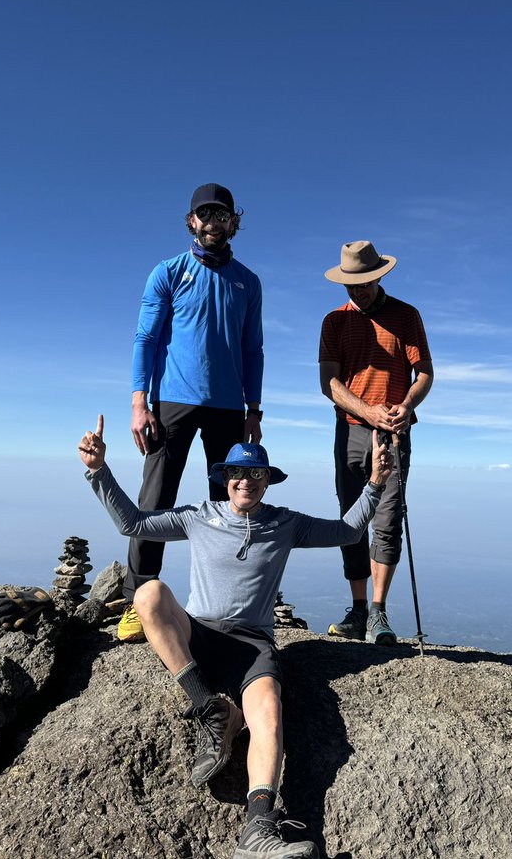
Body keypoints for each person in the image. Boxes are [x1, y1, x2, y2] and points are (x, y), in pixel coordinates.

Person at [79, 416, 391, 859]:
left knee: (268, 715)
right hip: (200, 631)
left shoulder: (286, 523)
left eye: (256, 474)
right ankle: (211, 707)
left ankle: (258, 828)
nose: (246, 481)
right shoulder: (198, 516)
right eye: (238, 473)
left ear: (268, 482)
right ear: (225, 479)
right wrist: (98, 471)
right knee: (149, 593)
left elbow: (348, 532)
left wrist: (376, 483)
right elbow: (133, 524)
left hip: (252, 644)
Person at [121, 183, 265, 643]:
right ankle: (138, 601)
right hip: (171, 403)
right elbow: (145, 339)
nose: (213, 222)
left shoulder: (248, 281)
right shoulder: (168, 272)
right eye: (205, 214)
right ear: (191, 221)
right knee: (155, 501)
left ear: (232, 223)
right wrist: (138, 402)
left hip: (228, 406)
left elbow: (252, 349)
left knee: (229, 507)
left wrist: (254, 408)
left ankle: (221, 606)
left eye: (222, 215)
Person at [318, 241, 433, 646]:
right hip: (350, 430)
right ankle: (359, 609)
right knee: (351, 519)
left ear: (379, 275)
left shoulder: (406, 316)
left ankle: (378, 613)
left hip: (394, 430)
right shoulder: (334, 321)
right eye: (351, 284)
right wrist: (368, 412)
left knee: (387, 520)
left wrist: (404, 406)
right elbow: (328, 383)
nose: (358, 290)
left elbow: (424, 374)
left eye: (365, 282)